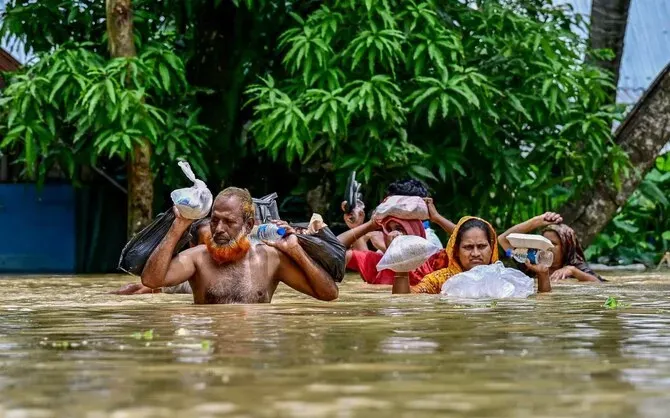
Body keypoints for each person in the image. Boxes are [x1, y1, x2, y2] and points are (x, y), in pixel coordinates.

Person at [139, 187, 339, 304]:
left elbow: (329, 294)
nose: (218, 229)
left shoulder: (270, 259)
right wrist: (178, 227)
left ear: (248, 225)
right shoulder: (197, 258)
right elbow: (151, 281)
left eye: (229, 222)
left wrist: (296, 251)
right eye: (214, 220)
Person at [338, 197, 454, 286]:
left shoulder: (435, 261)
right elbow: (331, 250)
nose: (393, 234)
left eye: (399, 228)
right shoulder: (377, 264)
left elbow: (468, 240)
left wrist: (437, 218)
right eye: (388, 229)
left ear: (415, 231)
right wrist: (370, 225)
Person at [341, 179, 455, 252]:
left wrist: (437, 218)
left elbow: (468, 237)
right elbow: (368, 267)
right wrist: (358, 227)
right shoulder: (389, 236)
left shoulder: (429, 242)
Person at [111, 218, 212, 295]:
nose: (213, 249)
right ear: (193, 247)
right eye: (206, 245)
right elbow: (148, 286)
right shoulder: (185, 276)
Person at [498, 212, 604, 283]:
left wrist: (573, 271)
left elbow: (598, 284)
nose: (547, 247)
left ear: (566, 247)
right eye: (544, 242)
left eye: (553, 243)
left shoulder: (574, 266)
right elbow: (503, 239)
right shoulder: (531, 263)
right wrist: (536, 221)